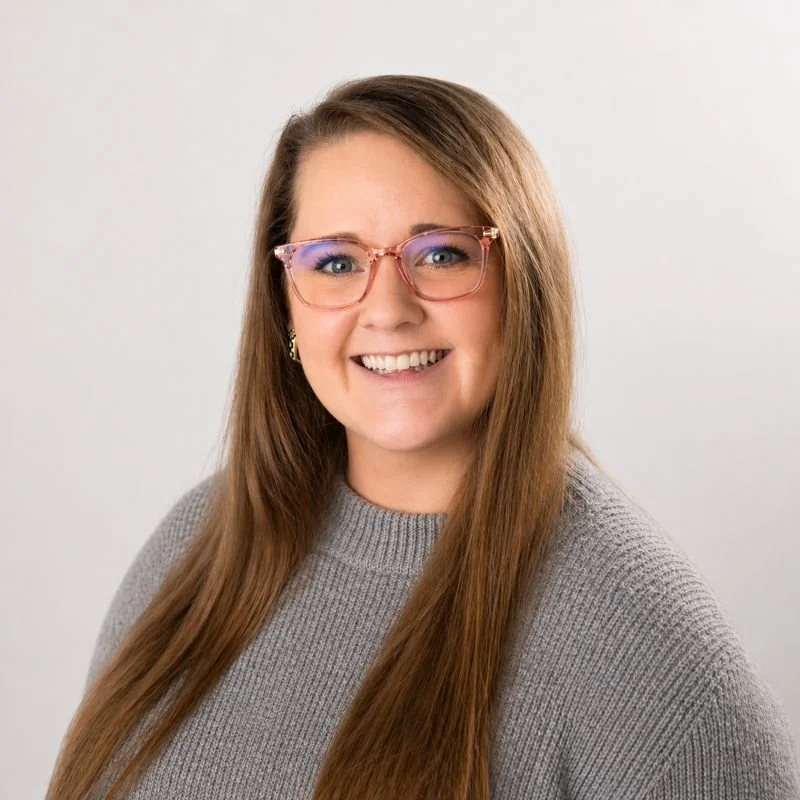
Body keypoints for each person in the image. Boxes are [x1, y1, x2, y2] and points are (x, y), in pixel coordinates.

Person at [47, 75, 799, 800]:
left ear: (523, 286)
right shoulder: (194, 547)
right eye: (336, 263)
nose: (387, 309)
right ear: (286, 311)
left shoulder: (636, 640)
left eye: (441, 254)